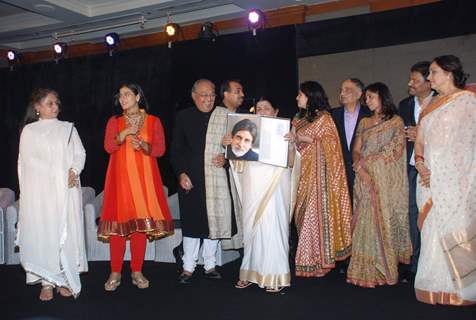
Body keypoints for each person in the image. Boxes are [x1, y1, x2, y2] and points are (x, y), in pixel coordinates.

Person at [98, 83, 174, 291]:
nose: (122, 99)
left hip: (145, 182)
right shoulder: (115, 122)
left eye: (127, 95)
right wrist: (123, 134)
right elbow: (108, 147)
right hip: (120, 181)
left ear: (138, 96)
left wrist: (143, 146)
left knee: (140, 226)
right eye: (120, 96)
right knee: (118, 228)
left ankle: (136, 271)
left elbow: (159, 150)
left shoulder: (153, 121)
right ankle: (115, 272)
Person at [414, 55, 476, 305]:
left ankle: (461, 291)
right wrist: (420, 164)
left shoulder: (468, 102)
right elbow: (420, 140)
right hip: (429, 180)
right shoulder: (430, 106)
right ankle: (433, 287)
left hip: (457, 184)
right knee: (431, 233)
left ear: (449, 73)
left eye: (433, 72)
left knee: (456, 232)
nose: (429, 78)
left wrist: (455, 176)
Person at [17, 88, 88, 301]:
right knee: (44, 233)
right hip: (41, 193)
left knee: (65, 233)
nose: (55, 107)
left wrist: (73, 171)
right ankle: (47, 282)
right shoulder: (29, 131)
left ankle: (64, 279)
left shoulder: (67, 129)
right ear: (37, 107)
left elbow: (79, 153)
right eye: (50, 103)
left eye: (57, 103)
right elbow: (25, 163)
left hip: (65, 190)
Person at [171, 79, 241, 285]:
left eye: (211, 95)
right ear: (194, 96)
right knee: (192, 224)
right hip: (190, 180)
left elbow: (237, 149)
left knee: (214, 224)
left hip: (216, 179)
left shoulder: (224, 116)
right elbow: (176, 150)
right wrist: (181, 174)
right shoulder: (183, 117)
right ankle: (188, 267)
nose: (208, 99)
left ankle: (210, 265)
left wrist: (225, 158)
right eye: (204, 95)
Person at [347, 82, 412, 288]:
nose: (367, 101)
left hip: (383, 182)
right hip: (363, 178)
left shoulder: (396, 122)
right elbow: (356, 149)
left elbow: (394, 152)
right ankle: (362, 270)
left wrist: (367, 164)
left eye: (371, 97)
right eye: (366, 97)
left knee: (381, 221)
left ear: (383, 97)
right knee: (364, 222)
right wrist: (359, 166)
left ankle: (384, 270)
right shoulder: (365, 122)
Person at [228, 98, 292, 292]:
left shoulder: (285, 131)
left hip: (274, 186)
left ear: (275, 111)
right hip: (252, 186)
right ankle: (249, 272)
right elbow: (238, 164)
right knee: (251, 230)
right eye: (259, 108)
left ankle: (275, 276)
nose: (262, 111)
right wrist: (229, 146)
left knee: (273, 228)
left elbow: (291, 162)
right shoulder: (247, 133)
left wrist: (292, 144)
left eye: (267, 108)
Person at [290, 81, 352, 277]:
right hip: (300, 175)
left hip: (320, 180)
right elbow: (291, 144)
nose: (297, 98)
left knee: (313, 216)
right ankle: (312, 260)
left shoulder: (324, 119)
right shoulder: (297, 120)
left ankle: (317, 262)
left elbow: (331, 145)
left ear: (310, 96)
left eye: (300, 94)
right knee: (301, 215)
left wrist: (304, 139)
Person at [398, 61, 434, 282]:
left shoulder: (440, 104)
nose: (410, 83)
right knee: (411, 214)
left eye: (415, 80)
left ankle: (433, 262)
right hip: (410, 168)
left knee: (432, 215)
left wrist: (421, 135)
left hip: (433, 169)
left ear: (429, 83)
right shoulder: (403, 105)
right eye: (410, 79)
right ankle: (414, 262)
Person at [331, 78, 371, 201]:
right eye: (341, 90)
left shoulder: (370, 115)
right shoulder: (332, 115)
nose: (342, 93)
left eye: (347, 90)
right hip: (339, 173)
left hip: (364, 171)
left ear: (359, 94)